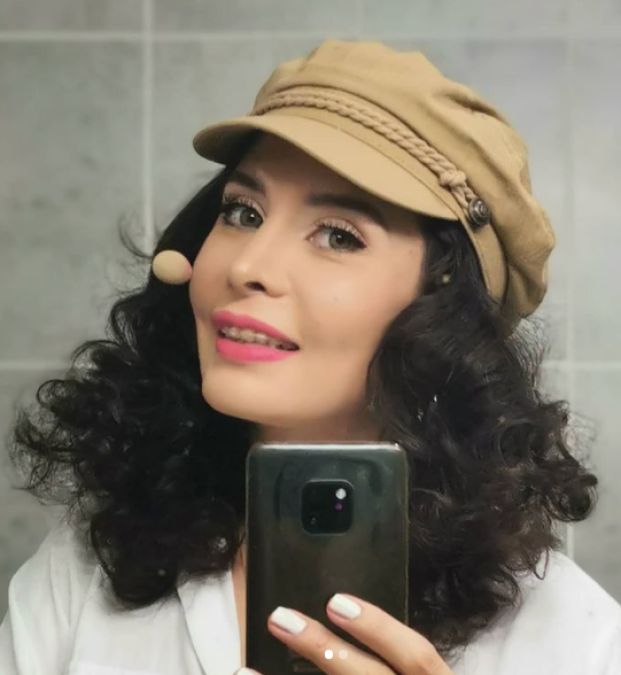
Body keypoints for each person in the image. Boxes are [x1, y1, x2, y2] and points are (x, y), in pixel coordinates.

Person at [1, 39, 619, 675]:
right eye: (243, 212)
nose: (248, 265)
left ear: (444, 313)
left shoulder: (576, 643)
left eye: (339, 236)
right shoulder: (87, 567)